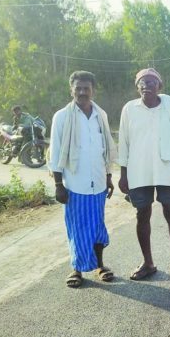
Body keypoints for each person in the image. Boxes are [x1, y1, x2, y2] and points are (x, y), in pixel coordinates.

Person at [118, 68, 170, 281]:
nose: (146, 85)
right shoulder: (129, 109)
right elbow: (124, 143)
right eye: (142, 82)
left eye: (151, 82)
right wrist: (123, 174)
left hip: (167, 169)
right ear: (137, 86)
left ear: (159, 86)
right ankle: (148, 263)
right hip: (138, 171)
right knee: (142, 215)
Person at [48, 71, 117, 288]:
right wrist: (59, 185)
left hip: (97, 184)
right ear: (71, 90)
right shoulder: (62, 117)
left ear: (93, 90)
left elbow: (105, 150)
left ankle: (99, 265)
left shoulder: (101, 115)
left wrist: (108, 177)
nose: (82, 92)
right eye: (77, 88)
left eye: (86, 88)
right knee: (77, 229)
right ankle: (76, 270)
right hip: (74, 185)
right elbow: (56, 153)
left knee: (97, 226)